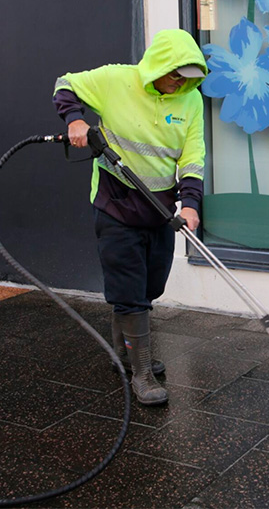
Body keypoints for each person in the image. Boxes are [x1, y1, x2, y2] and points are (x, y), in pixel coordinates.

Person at [53, 29, 207, 406]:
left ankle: (123, 352)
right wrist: (74, 120)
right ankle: (140, 373)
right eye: (176, 75)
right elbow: (65, 85)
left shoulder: (191, 102)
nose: (181, 83)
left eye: (189, 77)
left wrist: (190, 204)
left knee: (150, 287)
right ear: (159, 66)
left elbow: (192, 156)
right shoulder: (116, 80)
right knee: (129, 291)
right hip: (115, 204)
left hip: (158, 210)